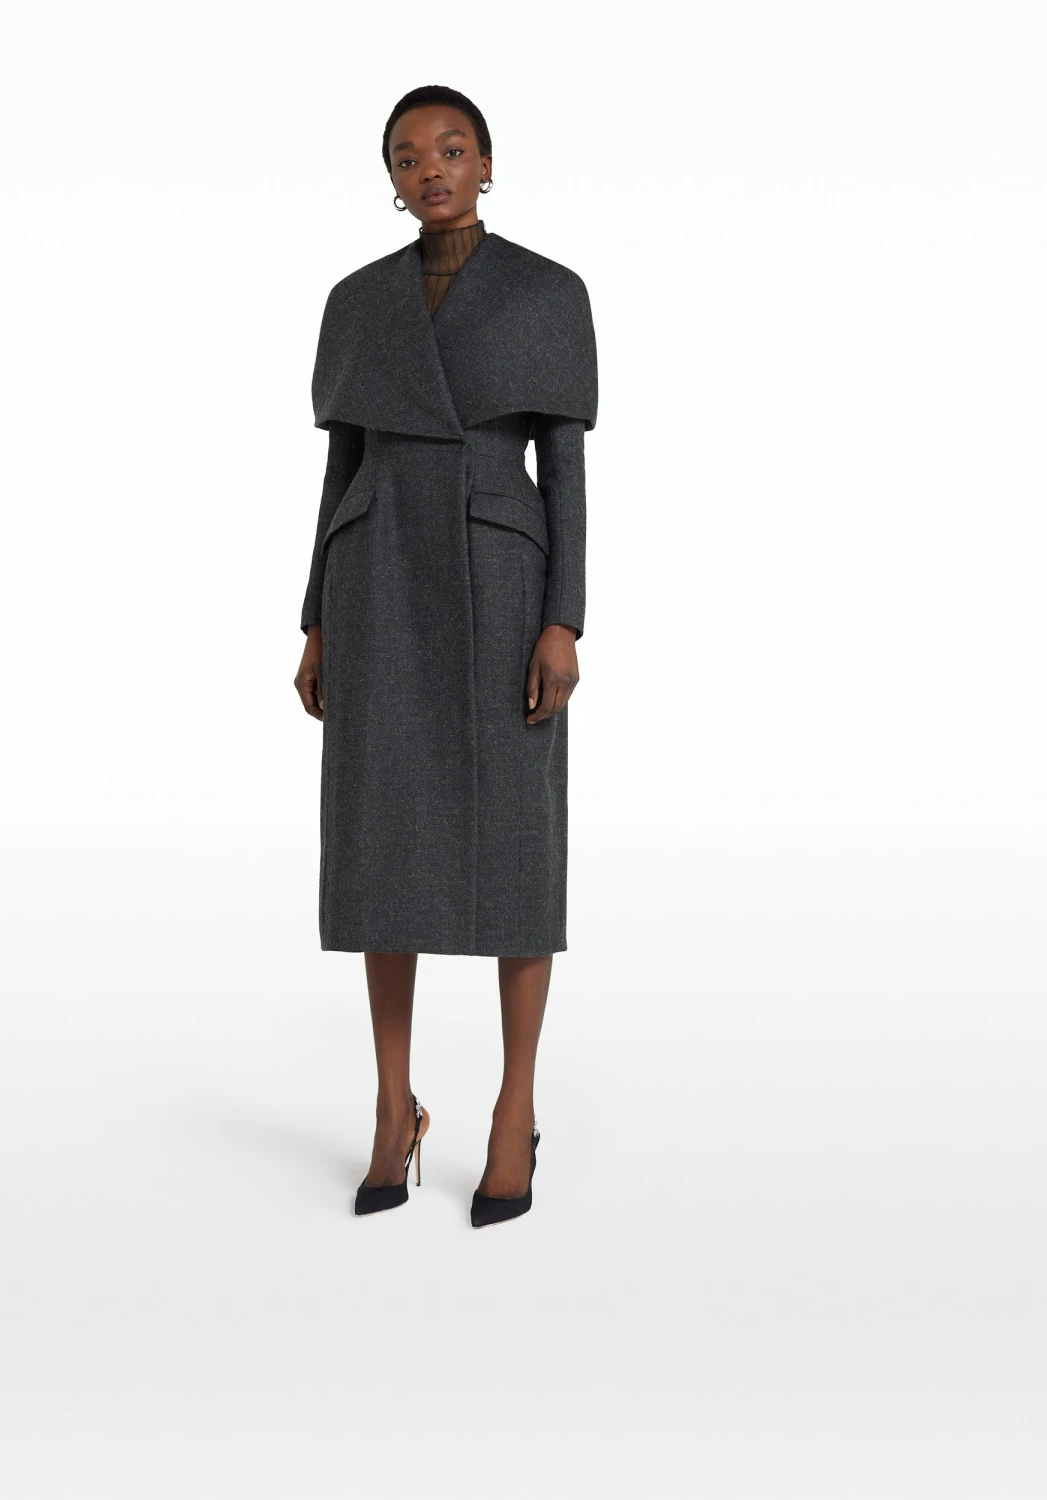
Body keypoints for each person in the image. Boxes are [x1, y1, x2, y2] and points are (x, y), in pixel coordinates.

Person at [293, 85, 597, 1228]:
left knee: (518, 843)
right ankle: (393, 1106)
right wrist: (315, 617)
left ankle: (515, 1107)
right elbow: (341, 467)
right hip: (375, 576)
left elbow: (565, 467)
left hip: (500, 576)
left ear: (487, 164)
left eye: (452, 149)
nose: (431, 169)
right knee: (382, 844)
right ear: (392, 178)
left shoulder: (548, 293)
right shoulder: (357, 302)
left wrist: (565, 618)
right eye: (408, 155)